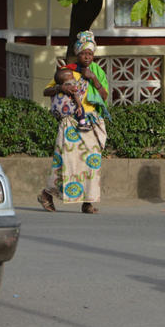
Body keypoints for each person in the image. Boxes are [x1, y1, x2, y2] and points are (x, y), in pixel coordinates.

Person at [38, 30, 110, 214]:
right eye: (84, 53)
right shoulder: (67, 71)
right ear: (78, 54)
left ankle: (87, 202)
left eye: (91, 54)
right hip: (71, 121)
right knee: (66, 161)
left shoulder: (97, 72)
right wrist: (61, 87)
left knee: (92, 161)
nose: (87, 57)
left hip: (91, 121)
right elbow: (46, 91)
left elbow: (104, 97)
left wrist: (93, 79)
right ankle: (46, 194)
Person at [50, 65, 91, 131]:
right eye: (71, 76)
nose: (73, 77)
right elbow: (75, 95)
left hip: (55, 110)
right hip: (66, 109)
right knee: (79, 107)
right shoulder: (70, 86)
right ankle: (82, 123)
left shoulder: (57, 86)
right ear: (66, 80)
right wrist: (79, 106)